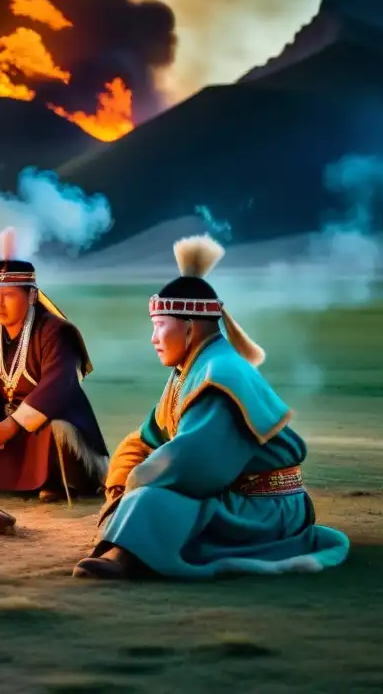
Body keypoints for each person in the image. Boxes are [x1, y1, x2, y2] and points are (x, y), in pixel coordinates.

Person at [73, 234, 350, 580]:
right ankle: (127, 542)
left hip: (264, 506)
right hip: (233, 494)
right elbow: (149, 437)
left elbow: (194, 465)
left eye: (160, 326)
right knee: (142, 492)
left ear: (189, 328)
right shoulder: (187, 371)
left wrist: (136, 483)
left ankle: (126, 556)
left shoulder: (219, 377)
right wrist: (122, 478)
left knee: (152, 500)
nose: (153, 339)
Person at [0, 227, 109, 502]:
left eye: (9, 295)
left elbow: (58, 387)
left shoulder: (56, 332)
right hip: (1, 417)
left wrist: (12, 426)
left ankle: (57, 481)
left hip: (45, 419)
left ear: (31, 296)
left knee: (57, 431)